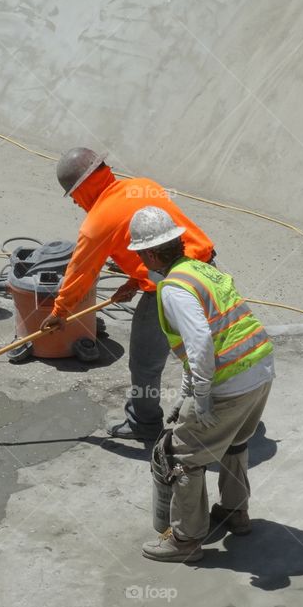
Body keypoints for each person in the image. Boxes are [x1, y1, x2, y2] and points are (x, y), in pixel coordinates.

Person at [128, 206, 274, 562]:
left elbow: (201, 344)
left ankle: (185, 539)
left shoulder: (173, 289)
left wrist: (204, 397)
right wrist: (186, 394)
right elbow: (207, 341)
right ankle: (235, 513)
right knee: (235, 441)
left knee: (181, 455)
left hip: (229, 383)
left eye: (138, 255)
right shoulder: (202, 270)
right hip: (260, 369)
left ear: (149, 253)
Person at [40, 148, 215, 440]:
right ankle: (228, 415)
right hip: (208, 275)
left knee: (145, 363)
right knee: (215, 350)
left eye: (72, 194)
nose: (73, 201)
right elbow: (165, 243)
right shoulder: (143, 185)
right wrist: (135, 280)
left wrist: (59, 313)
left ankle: (143, 425)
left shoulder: (96, 223)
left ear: (82, 188)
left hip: (169, 290)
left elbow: (80, 273)